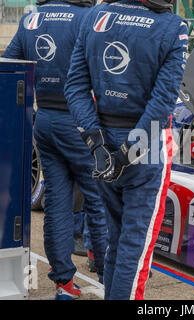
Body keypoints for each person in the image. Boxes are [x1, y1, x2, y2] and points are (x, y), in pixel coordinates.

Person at [64, 0, 188, 300]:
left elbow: (75, 87)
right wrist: (128, 152)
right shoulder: (174, 28)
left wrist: (98, 146)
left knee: (117, 243)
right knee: (134, 250)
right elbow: (162, 103)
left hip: (103, 146)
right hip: (145, 149)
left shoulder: (96, 16)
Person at [2, 0, 108, 300]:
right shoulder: (90, 18)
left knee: (57, 204)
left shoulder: (31, 20)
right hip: (80, 123)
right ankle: (107, 275)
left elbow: (8, 68)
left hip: (44, 121)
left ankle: (64, 284)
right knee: (98, 200)